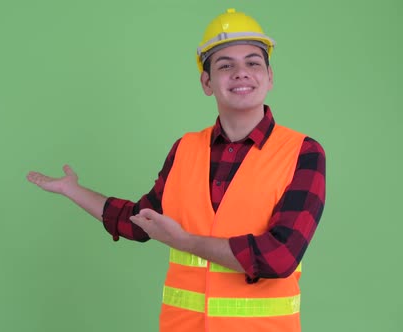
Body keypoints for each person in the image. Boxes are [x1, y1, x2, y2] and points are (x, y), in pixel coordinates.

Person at [27, 8, 325, 332]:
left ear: (269, 77)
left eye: (253, 62)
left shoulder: (303, 153)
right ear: (206, 82)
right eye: (225, 65)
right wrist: (74, 190)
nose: (241, 72)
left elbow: (280, 256)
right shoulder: (185, 149)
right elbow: (142, 222)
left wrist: (187, 242)